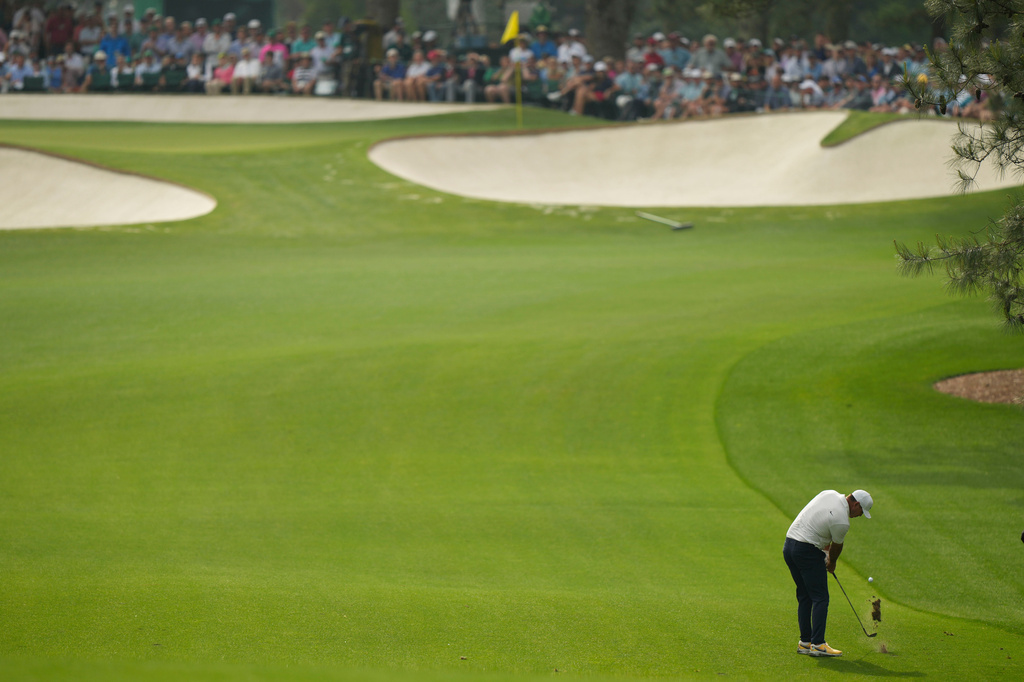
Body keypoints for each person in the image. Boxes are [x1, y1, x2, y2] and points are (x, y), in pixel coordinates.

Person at [783, 489, 874, 658]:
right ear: (856, 504)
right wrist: (831, 562)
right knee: (820, 597)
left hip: (789, 546)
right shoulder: (842, 522)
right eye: (861, 511)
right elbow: (836, 546)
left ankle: (805, 642)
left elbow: (822, 527)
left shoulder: (829, 493)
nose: (860, 515)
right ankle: (818, 644)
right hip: (806, 551)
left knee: (805, 595)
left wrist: (825, 556)